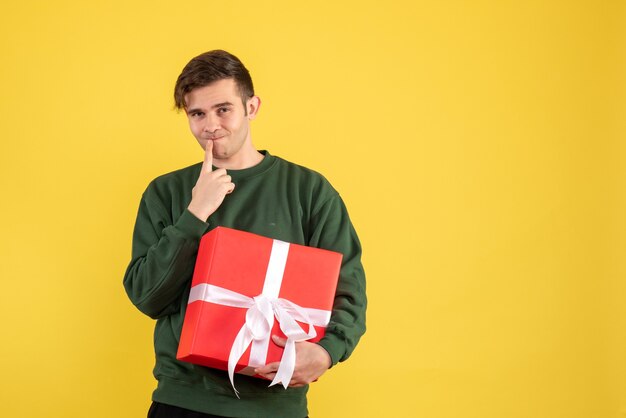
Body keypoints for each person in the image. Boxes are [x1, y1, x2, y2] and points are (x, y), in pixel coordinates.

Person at [123, 50, 366, 418]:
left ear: (251, 107)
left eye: (223, 109)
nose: (211, 125)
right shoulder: (166, 192)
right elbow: (147, 296)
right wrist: (195, 213)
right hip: (184, 400)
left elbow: (348, 289)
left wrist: (328, 351)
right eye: (197, 114)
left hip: (275, 404)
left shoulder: (310, 191)